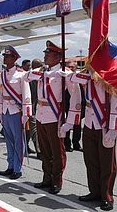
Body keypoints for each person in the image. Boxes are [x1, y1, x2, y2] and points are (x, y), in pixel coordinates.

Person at [25, 40, 81, 195]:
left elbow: (76, 96)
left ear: (57, 57)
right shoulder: (43, 71)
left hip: (55, 116)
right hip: (41, 115)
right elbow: (26, 77)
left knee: (57, 152)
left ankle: (56, 181)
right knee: (44, 150)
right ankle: (46, 178)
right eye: (45, 54)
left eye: (48, 54)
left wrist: (70, 121)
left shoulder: (65, 73)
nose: (45, 57)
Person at [68, 73, 117, 211]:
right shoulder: (88, 77)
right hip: (89, 122)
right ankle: (94, 191)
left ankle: (106, 195)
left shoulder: (111, 77)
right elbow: (72, 77)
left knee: (107, 163)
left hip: (104, 123)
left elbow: (115, 101)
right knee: (91, 160)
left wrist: (113, 128)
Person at [0, 46, 31, 180]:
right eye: (4, 56)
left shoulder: (21, 74)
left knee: (18, 141)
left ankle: (17, 168)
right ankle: (10, 166)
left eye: (8, 56)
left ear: (14, 58)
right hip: (5, 110)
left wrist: (26, 113)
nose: (5, 58)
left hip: (17, 110)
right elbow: (0, 94)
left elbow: (27, 95)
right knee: (8, 140)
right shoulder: (2, 74)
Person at [63, 60, 85, 152]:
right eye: (70, 67)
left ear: (76, 68)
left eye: (73, 67)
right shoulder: (65, 77)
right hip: (67, 104)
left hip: (78, 104)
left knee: (77, 124)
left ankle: (76, 143)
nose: (71, 69)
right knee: (67, 123)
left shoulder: (79, 77)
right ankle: (67, 144)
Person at [21, 59, 38, 154]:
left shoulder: (34, 76)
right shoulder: (23, 76)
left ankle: (26, 147)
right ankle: (37, 150)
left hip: (34, 107)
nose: (30, 67)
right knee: (29, 129)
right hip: (25, 107)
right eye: (28, 65)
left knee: (29, 129)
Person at [27, 58, 43, 157]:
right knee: (35, 130)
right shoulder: (33, 77)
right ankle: (39, 151)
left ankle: (24, 146)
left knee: (28, 129)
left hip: (37, 107)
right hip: (32, 107)